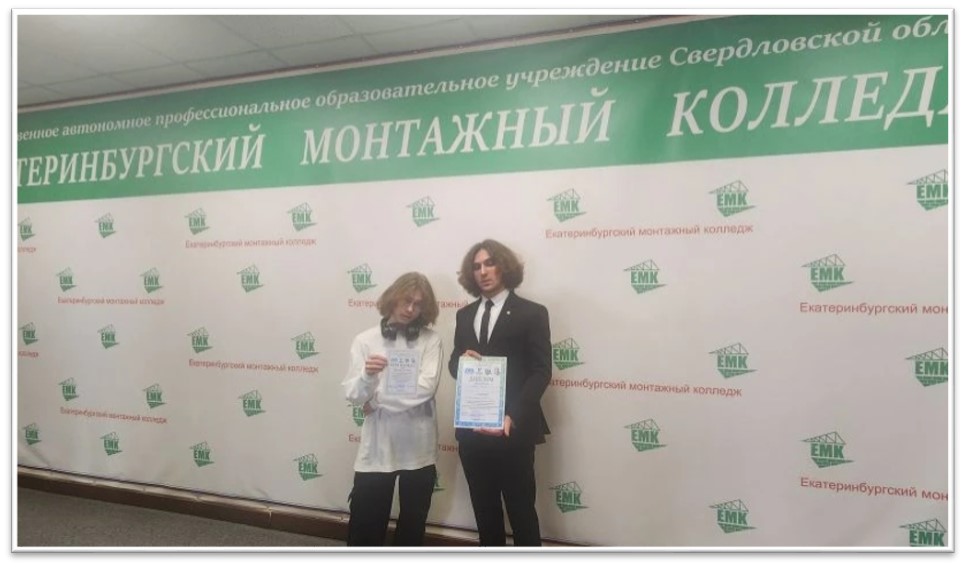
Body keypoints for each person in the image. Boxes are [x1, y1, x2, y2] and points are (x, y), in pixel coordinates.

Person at [449, 239, 552, 546]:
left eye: (490, 263)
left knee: (522, 515)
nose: (483, 271)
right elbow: (455, 364)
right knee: (485, 516)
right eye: (476, 266)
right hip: (472, 431)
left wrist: (512, 416)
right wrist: (462, 362)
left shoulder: (532, 313)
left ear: (504, 266)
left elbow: (541, 371)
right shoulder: (464, 315)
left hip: (512, 430)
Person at [342, 272, 443, 546]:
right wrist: (367, 376)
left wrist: (376, 401)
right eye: (406, 300)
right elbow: (353, 394)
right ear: (393, 298)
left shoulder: (431, 340)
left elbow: (425, 389)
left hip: (418, 447)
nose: (410, 309)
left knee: (413, 528)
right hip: (377, 447)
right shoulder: (365, 340)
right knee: (365, 527)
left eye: (418, 304)